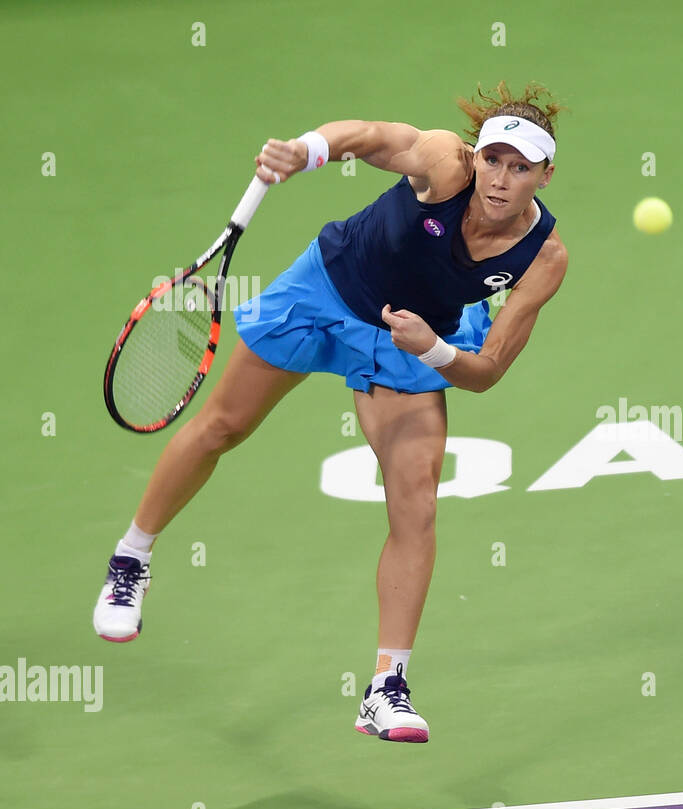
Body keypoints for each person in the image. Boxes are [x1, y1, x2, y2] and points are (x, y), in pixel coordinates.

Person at [92, 81, 569, 743]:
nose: (500, 179)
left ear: (546, 175)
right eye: (493, 159)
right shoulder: (441, 160)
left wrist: (431, 350)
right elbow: (372, 137)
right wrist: (305, 150)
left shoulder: (545, 257)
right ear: (476, 155)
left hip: (411, 334)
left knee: (417, 501)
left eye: (521, 168)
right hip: (326, 290)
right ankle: (131, 557)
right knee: (224, 426)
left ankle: (386, 688)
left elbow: (485, 371)